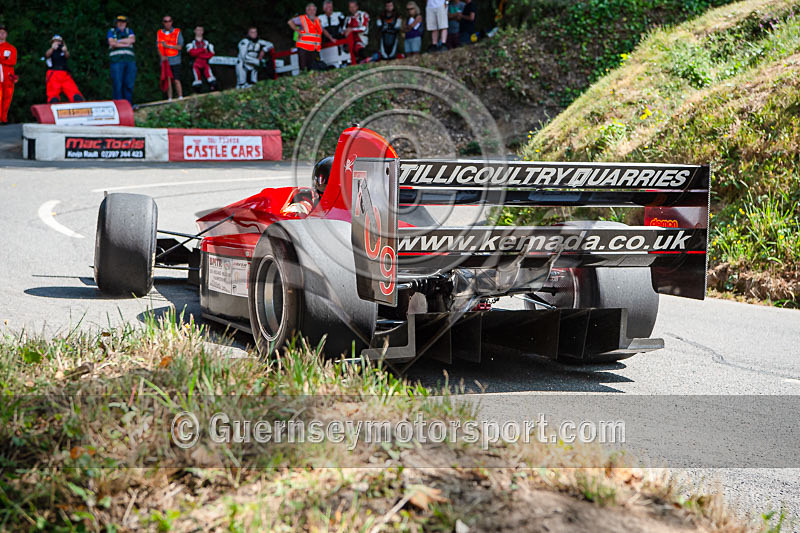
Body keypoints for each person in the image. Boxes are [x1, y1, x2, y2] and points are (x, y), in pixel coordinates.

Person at [44, 35, 84, 103]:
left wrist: (65, 50)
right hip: (54, 73)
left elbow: (67, 56)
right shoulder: (51, 50)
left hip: (64, 73)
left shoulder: (62, 50)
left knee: (73, 92)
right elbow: (46, 55)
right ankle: (53, 102)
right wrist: (53, 48)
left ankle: (77, 100)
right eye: (56, 41)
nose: (58, 43)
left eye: (59, 41)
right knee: (53, 94)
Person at [107, 15, 136, 104]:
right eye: (119, 22)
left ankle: (128, 104)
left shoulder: (129, 31)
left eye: (123, 22)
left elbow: (132, 40)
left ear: (126, 23)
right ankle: (119, 105)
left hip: (129, 60)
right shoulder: (111, 31)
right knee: (117, 84)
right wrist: (125, 42)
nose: (121, 24)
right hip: (116, 61)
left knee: (129, 84)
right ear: (116, 23)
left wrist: (118, 41)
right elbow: (112, 43)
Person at [288, 4, 323, 71]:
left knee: (313, 65)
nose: (312, 12)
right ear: (307, 11)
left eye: (314, 10)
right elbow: (290, 22)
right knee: (303, 65)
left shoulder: (318, 20)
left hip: (314, 46)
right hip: (303, 46)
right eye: (310, 10)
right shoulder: (302, 19)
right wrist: (298, 31)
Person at [157, 15, 183, 100]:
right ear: (163, 23)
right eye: (165, 21)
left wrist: (168, 46)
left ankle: (180, 96)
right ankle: (170, 98)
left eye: (169, 21)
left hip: (175, 60)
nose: (167, 23)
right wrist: (162, 57)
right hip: (165, 61)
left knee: (176, 80)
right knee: (167, 80)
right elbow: (158, 46)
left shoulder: (177, 32)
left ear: (172, 22)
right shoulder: (160, 33)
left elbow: (180, 47)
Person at [186, 26, 216, 92]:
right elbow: (191, 53)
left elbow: (211, 54)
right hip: (195, 65)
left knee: (212, 81)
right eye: (197, 30)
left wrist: (198, 54)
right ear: (194, 31)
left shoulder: (207, 43)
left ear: (203, 31)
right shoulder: (191, 42)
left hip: (205, 64)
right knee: (197, 84)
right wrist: (202, 50)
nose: (199, 32)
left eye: (201, 30)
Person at [0, 24, 17, 123]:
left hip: (8, 77)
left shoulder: (11, 48)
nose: (1, 35)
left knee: (7, 98)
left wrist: (1, 59)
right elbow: (6, 60)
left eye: (3, 33)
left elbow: (12, 61)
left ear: (6, 34)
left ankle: (3, 119)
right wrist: (4, 59)